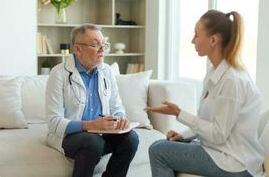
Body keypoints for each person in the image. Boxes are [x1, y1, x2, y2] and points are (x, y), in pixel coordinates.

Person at [146, 10, 265, 177]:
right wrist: (183, 135)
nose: (192, 40)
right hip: (219, 151)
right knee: (162, 144)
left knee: (158, 151)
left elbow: (218, 134)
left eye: (196, 34)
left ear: (213, 40)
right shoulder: (214, 72)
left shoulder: (232, 80)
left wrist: (179, 113)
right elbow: (207, 122)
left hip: (235, 163)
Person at [46, 23, 139, 177]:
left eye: (104, 44)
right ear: (77, 49)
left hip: (102, 133)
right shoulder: (58, 73)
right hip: (69, 136)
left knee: (131, 139)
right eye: (96, 44)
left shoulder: (106, 70)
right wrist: (91, 125)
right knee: (93, 142)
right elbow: (54, 122)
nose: (102, 49)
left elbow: (117, 106)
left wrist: (121, 119)